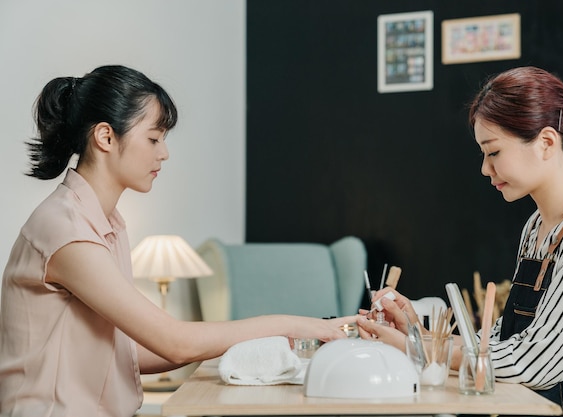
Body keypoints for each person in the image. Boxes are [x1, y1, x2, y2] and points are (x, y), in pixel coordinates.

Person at [0, 65, 357, 417]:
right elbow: (174, 342)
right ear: (106, 137)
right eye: (154, 139)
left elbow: (130, 353)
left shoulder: (106, 224)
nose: (164, 153)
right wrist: (293, 323)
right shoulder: (66, 229)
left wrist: (293, 334)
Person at [357, 66, 563, 417]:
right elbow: (500, 345)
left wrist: (418, 348)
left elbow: (535, 363)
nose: (485, 168)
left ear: (546, 142)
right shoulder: (537, 227)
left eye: (494, 152)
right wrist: (418, 332)